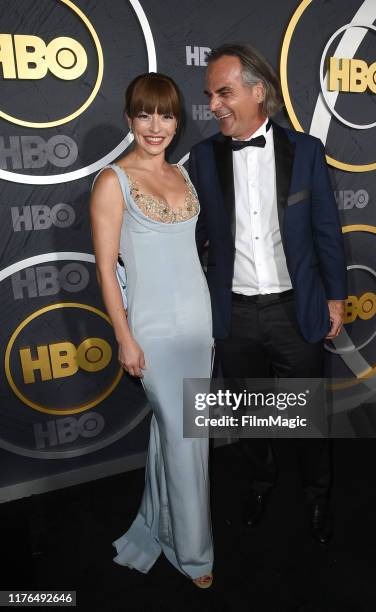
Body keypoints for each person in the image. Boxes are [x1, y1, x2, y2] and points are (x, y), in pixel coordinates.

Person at [188, 44, 347, 543]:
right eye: (210, 94)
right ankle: (261, 480)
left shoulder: (307, 152)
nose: (213, 104)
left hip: (294, 311)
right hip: (233, 318)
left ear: (259, 92)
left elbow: (327, 230)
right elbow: (189, 237)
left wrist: (336, 298)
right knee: (248, 414)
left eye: (224, 92)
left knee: (309, 416)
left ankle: (317, 495)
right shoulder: (203, 158)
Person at [90, 73, 213, 587]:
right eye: (145, 114)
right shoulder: (111, 182)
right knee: (186, 440)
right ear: (130, 119)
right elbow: (104, 270)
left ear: (177, 122)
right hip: (154, 331)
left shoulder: (185, 177)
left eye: (165, 115)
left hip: (198, 324)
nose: (155, 126)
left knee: (186, 434)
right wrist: (124, 336)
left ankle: (163, 525)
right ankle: (194, 555)